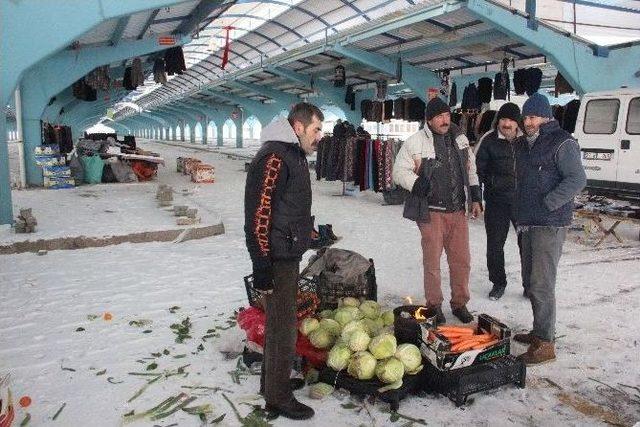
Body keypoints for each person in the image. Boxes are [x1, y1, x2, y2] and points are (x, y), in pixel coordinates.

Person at [244, 103, 324, 419]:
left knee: (283, 325)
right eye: (316, 129)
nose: (320, 136)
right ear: (299, 126)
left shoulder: (292, 154)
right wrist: (261, 264)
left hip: (287, 250)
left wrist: (310, 233)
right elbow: (258, 215)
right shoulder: (275, 157)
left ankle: (271, 385)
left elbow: (287, 208)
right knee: (282, 329)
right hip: (276, 257)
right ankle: (277, 399)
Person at [393, 97, 483, 324]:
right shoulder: (415, 142)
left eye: (446, 115)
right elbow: (398, 171)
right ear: (429, 119)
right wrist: (416, 183)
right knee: (432, 263)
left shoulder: (460, 138)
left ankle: (460, 303)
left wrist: (475, 198)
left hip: (457, 211)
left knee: (461, 261)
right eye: (439, 117)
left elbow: (471, 170)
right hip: (431, 213)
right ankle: (434, 305)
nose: (444, 120)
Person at [513, 93, 586, 365]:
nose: (528, 122)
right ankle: (539, 331)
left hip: (550, 223)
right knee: (531, 282)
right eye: (526, 117)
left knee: (542, 284)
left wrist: (550, 202)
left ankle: (546, 344)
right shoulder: (522, 144)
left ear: (546, 117)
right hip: (526, 222)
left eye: (532, 117)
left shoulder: (562, 142)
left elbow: (577, 179)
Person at [475, 103, 523, 300]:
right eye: (503, 119)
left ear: (517, 122)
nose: (506, 124)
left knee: (527, 245)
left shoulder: (527, 140)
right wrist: (476, 198)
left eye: (511, 120)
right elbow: (475, 171)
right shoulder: (488, 140)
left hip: (523, 202)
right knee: (495, 245)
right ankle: (498, 282)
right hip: (496, 201)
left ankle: (530, 284)